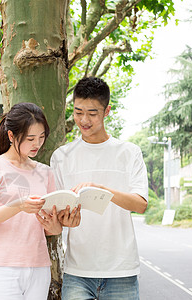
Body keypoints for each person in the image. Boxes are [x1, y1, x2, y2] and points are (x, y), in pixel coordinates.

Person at [51, 77, 149, 300]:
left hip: (121, 270)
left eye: (93, 114)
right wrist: (64, 219)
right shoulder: (61, 157)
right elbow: (57, 213)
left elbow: (140, 204)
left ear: (107, 111)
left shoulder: (128, 152)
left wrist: (101, 190)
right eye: (78, 112)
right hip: (77, 271)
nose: (84, 120)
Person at [0, 102, 62, 300]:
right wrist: (18, 205)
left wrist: (56, 225)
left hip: (39, 265)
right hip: (2, 265)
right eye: (30, 138)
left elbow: (53, 231)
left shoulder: (45, 172)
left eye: (41, 137)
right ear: (11, 136)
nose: (37, 144)